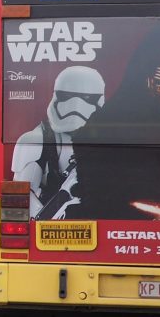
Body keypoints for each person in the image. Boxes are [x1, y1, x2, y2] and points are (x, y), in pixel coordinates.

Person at [12, 65, 103, 216]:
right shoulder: (36, 140)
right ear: (56, 96)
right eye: (66, 96)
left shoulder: (112, 138)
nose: (76, 105)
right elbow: (22, 194)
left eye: (87, 98)